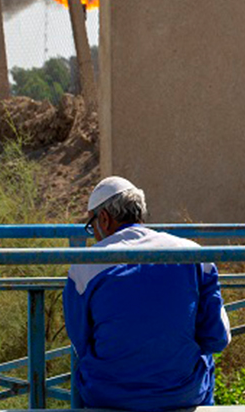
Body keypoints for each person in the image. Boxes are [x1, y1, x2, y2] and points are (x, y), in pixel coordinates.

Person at [64, 176, 231, 411]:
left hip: (108, 396)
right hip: (181, 394)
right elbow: (217, 337)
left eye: (92, 226)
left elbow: (80, 343)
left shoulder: (84, 265)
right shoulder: (192, 254)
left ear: (103, 219)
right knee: (203, 362)